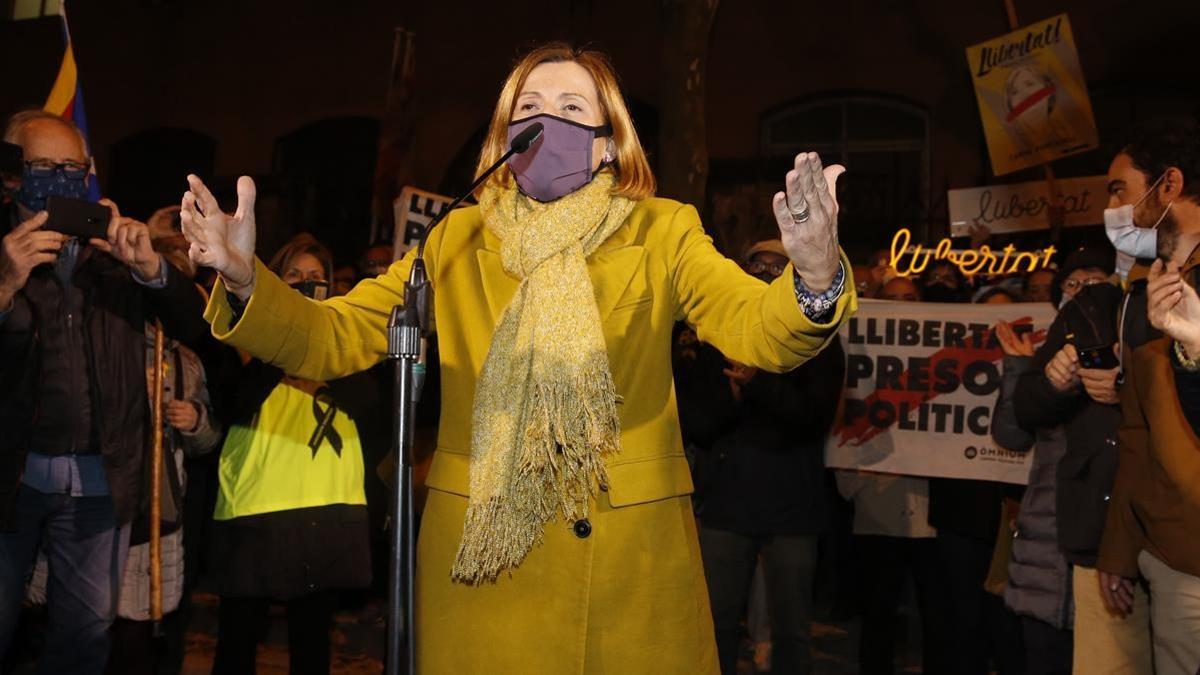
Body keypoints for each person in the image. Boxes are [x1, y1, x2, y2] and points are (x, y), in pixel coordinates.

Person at [180, 42, 856, 672]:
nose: (545, 122)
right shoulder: (455, 239)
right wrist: (244, 281)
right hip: (481, 574)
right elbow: (331, 337)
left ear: (606, 145)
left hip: (628, 573)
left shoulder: (662, 230)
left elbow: (755, 326)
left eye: (570, 109)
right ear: (507, 138)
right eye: (528, 109)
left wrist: (817, 277)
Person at [0, 109, 207, 674]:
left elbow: (197, 325)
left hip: (99, 480)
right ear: (12, 174)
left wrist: (151, 271)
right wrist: (5, 281)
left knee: (85, 640)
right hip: (9, 483)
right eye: (44, 165)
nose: (62, 179)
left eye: (74, 167)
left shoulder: (114, 249)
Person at [207, 234, 375, 675]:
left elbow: (369, 406)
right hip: (255, 511)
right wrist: (282, 333)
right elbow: (232, 405)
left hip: (324, 509)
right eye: (294, 277)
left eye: (317, 278)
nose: (306, 284)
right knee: (238, 644)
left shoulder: (346, 347)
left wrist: (322, 341)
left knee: (311, 646)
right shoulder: (241, 337)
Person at [676, 238, 845, 675]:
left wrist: (758, 383)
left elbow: (812, 418)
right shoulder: (717, 336)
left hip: (792, 509)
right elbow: (697, 423)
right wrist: (730, 394)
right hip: (727, 508)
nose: (765, 274)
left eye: (777, 267)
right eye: (756, 264)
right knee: (715, 626)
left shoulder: (819, 342)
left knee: (792, 632)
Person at [1099, 120, 1200, 675]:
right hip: (1177, 558)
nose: (1112, 208)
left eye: (1119, 189)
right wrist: (1119, 548)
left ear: (1169, 185)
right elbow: (1138, 434)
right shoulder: (1145, 294)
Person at [1008, 247, 1129, 675]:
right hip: (1045, 542)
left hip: (1101, 544)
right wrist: (1034, 375)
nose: (1081, 294)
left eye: (1093, 284)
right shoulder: (1056, 347)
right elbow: (1013, 427)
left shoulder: (1122, 337)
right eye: (1072, 285)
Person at [836, 275, 947, 675]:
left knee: (936, 618)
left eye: (910, 297)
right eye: (894, 298)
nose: (903, 303)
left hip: (935, 515)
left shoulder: (941, 352)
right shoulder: (863, 354)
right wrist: (853, 485)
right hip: (878, 509)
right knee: (878, 617)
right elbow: (844, 412)